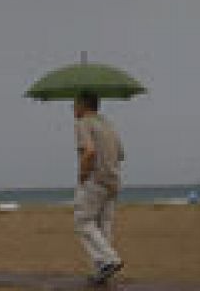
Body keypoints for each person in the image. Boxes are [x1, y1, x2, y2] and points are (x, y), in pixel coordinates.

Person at [72, 90, 125, 285]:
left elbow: (89, 151)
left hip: (95, 180)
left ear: (84, 105)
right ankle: (102, 269)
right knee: (104, 226)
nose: (73, 108)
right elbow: (121, 154)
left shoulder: (83, 123)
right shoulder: (108, 124)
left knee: (83, 221)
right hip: (113, 181)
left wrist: (82, 174)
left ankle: (110, 260)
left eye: (75, 104)